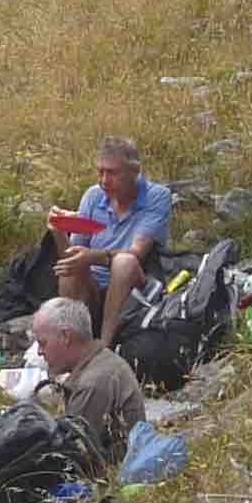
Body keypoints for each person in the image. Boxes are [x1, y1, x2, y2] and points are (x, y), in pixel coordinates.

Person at [56, 134, 172, 347]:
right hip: (93, 287)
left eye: (112, 173)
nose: (104, 180)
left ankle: (105, 346)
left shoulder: (157, 197)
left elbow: (137, 253)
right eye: (100, 172)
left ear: (134, 172)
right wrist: (57, 229)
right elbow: (72, 254)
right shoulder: (93, 196)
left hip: (133, 285)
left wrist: (92, 257)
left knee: (124, 262)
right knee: (68, 271)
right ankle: (71, 345)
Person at [27, 297, 145, 480]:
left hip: (114, 473)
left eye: (43, 343)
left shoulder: (92, 384)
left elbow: (72, 454)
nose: (39, 352)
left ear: (66, 337)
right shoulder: (100, 359)